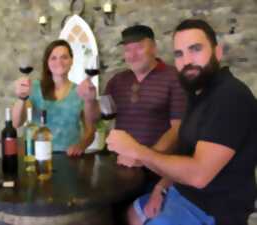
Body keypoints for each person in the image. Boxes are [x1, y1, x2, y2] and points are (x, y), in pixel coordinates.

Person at [106, 19, 257, 225]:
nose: (187, 60)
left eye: (195, 49)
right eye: (179, 54)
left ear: (217, 52)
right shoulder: (199, 94)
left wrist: (138, 151)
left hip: (211, 209)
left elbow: (198, 175)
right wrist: (161, 187)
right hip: (180, 191)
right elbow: (186, 153)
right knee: (129, 213)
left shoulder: (230, 97)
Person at [78, 25, 186, 171]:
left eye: (139, 47)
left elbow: (177, 129)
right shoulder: (117, 81)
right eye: (128, 49)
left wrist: (145, 159)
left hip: (158, 170)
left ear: (154, 48)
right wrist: (90, 100)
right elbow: (96, 118)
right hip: (120, 164)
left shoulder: (174, 78)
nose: (133, 55)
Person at [12, 39, 95, 156]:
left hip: (70, 158)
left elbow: (90, 130)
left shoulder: (80, 91)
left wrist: (81, 146)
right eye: (53, 58)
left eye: (64, 57)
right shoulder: (34, 88)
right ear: (47, 62)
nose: (59, 62)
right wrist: (21, 98)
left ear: (71, 61)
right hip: (38, 157)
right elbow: (16, 123)